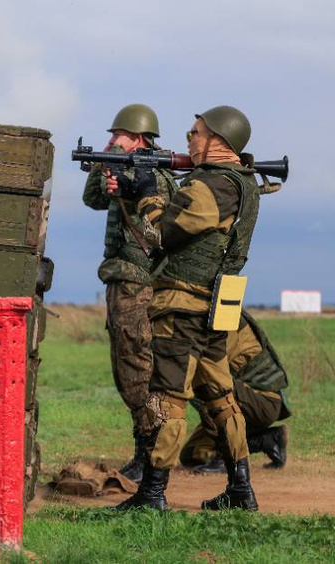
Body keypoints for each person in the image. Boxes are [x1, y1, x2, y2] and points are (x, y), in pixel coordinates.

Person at [114, 105, 264, 511]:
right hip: (219, 304)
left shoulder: (212, 184)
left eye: (196, 132)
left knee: (168, 397)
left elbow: (161, 235)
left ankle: (152, 494)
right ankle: (241, 490)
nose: (188, 138)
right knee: (220, 395)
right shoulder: (244, 183)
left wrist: (145, 194)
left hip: (184, 304)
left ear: (219, 140)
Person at [81, 104, 177, 483]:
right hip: (124, 281)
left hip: (138, 283)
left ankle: (151, 451)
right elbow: (93, 199)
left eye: (116, 137)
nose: (109, 142)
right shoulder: (120, 166)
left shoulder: (157, 175)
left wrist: (124, 171)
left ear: (137, 137)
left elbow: (160, 214)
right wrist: (110, 164)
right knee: (127, 369)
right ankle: (147, 448)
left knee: (136, 369)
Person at [181, 309, 291, 472]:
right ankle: (267, 440)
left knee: (202, 378)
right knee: (191, 455)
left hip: (262, 400)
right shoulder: (209, 313)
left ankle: (226, 456)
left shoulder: (222, 317)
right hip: (250, 399)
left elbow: (208, 369)